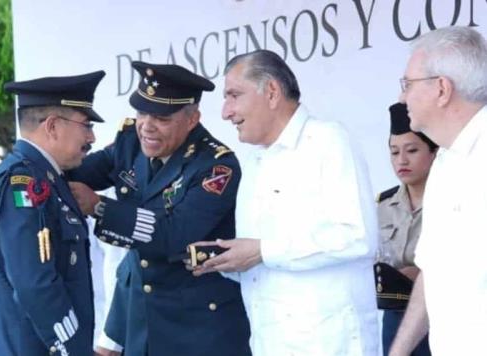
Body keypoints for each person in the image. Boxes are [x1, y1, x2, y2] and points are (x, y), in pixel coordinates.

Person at [192, 49, 379, 355]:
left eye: (234, 95)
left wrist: (264, 250)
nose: (225, 112)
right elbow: (261, 259)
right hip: (269, 341)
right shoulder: (253, 161)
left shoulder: (328, 140)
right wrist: (228, 261)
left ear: (272, 92)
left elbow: (357, 237)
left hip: (328, 344)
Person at [68, 61, 251, 356]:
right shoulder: (130, 143)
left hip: (198, 331)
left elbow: (172, 235)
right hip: (141, 322)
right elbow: (76, 173)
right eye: (141, 112)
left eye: (161, 117)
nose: (146, 125)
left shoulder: (216, 167)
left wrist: (100, 207)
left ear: (192, 120)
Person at [0, 71, 105, 355]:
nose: (91, 136)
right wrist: (76, 350)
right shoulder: (22, 182)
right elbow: (35, 285)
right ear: (53, 126)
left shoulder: (48, 178)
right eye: (86, 125)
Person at [389, 26, 487, 356]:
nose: (403, 97)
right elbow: (433, 270)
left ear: (442, 89)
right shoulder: (445, 160)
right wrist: (399, 351)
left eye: (408, 85)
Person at [375, 102, 437, 356]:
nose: (402, 160)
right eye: (394, 152)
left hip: (440, 315)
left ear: (433, 152)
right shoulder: (383, 203)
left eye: (412, 150)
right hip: (395, 314)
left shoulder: (451, 201)